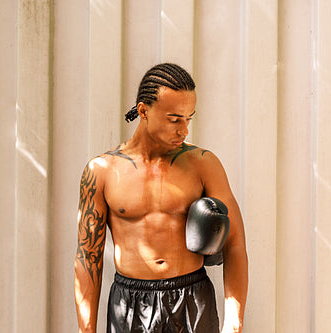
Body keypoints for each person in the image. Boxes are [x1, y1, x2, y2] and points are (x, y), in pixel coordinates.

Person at [74, 63, 248, 332]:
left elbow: (235, 244)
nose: (184, 130)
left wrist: (234, 323)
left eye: (188, 118)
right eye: (174, 119)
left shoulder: (203, 164)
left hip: (192, 297)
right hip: (129, 304)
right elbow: (88, 256)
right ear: (143, 110)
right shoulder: (101, 171)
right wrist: (87, 330)